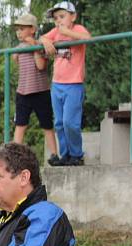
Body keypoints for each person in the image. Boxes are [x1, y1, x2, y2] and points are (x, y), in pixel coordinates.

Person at [40, 1, 91, 166]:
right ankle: (65, 154)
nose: (58, 21)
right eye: (55, 18)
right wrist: (46, 42)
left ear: (73, 16)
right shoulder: (55, 31)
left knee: (70, 122)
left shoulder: (77, 29)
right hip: (57, 84)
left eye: (62, 16)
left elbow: (87, 38)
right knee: (59, 123)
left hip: (74, 84)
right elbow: (42, 38)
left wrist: (68, 32)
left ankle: (77, 154)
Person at [12, 13, 60, 164]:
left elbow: (40, 66)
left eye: (22, 29)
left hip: (40, 91)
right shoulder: (18, 48)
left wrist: (34, 47)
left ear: (32, 29)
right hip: (23, 92)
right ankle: (14, 156)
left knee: (46, 124)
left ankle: (54, 154)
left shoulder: (40, 45)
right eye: (17, 29)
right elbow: (16, 61)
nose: (18, 32)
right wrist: (17, 53)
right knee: (20, 124)